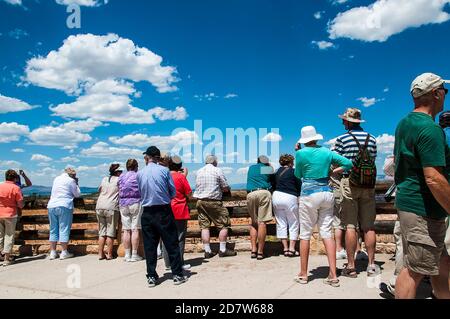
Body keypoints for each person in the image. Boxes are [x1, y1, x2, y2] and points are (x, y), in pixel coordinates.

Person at [394, 73, 450, 299]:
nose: (446, 95)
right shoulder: (430, 129)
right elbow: (433, 178)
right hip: (423, 209)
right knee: (415, 270)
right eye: (445, 90)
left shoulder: (405, 123)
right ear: (436, 93)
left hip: (411, 204)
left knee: (440, 262)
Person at [294, 126, 353, 287]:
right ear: (316, 138)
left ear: (304, 140)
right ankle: (333, 275)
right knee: (327, 232)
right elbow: (348, 163)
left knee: (305, 234)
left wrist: (297, 153)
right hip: (327, 193)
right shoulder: (327, 152)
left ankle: (304, 274)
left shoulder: (300, 154)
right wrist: (332, 173)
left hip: (309, 194)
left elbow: (298, 175)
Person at [332, 108, 378, 278]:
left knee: (350, 225)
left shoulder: (342, 139)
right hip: (368, 183)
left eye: (344, 120)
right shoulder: (371, 139)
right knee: (368, 226)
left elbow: (335, 161)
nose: (343, 122)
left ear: (350, 121)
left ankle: (351, 266)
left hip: (349, 183)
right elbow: (372, 159)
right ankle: (372, 264)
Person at [137, 146, 187, 287]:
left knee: (150, 246)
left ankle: (151, 276)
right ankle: (177, 274)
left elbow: (141, 192)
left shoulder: (140, 174)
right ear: (158, 157)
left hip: (147, 211)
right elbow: (172, 192)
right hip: (163, 210)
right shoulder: (164, 171)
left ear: (148, 157)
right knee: (171, 242)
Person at [194, 155, 237, 259]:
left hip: (200, 201)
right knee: (224, 224)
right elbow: (225, 187)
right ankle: (222, 249)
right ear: (215, 162)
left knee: (204, 226)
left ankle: (207, 251)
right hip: (213, 201)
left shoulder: (199, 171)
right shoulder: (217, 170)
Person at [162, 156, 193, 271]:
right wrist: (184, 176)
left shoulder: (164, 176)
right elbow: (189, 193)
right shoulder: (180, 177)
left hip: (166, 209)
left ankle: (168, 264)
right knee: (179, 238)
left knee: (166, 237)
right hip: (180, 209)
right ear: (180, 166)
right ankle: (178, 263)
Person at [47, 168, 81, 260]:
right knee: (64, 228)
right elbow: (77, 194)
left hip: (51, 205)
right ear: (72, 175)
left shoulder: (56, 179)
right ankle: (64, 251)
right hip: (64, 205)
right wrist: (76, 183)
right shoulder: (71, 181)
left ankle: (53, 252)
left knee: (53, 229)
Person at [271, 154, 301, 257]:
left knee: (281, 223)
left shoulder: (276, 172)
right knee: (293, 223)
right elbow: (299, 185)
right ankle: (292, 249)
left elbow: (273, 184)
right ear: (290, 162)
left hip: (276, 196)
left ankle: (285, 249)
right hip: (289, 197)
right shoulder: (294, 172)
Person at [246, 155, 274, 260]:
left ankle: (253, 250)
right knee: (262, 223)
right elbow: (272, 177)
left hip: (251, 193)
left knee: (254, 222)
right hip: (263, 192)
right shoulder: (268, 168)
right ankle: (260, 252)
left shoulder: (251, 168)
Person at [119, 159, 144, 262]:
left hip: (123, 203)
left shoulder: (121, 177)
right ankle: (134, 254)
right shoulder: (138, 176)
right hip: (136, 202)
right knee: (135, 229)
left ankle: (127, 254)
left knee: (126, 229)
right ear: (136, 166)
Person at [96, 164, 122, 261]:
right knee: (110, 232)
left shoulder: (104, 179)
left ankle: (100, 254)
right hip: (111, 206)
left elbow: (99, 189)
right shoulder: (119, 180)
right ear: (118, 172)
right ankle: (109, 254)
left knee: (102, 232)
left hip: (99, 205)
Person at [0, 170, 24, 266]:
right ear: (15, 178)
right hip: (10, 214)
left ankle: (1, 255)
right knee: (9, 236)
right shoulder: (15, 188)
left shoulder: (0, 185)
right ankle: (7, 258)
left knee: (0, 235)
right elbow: (20, 204)